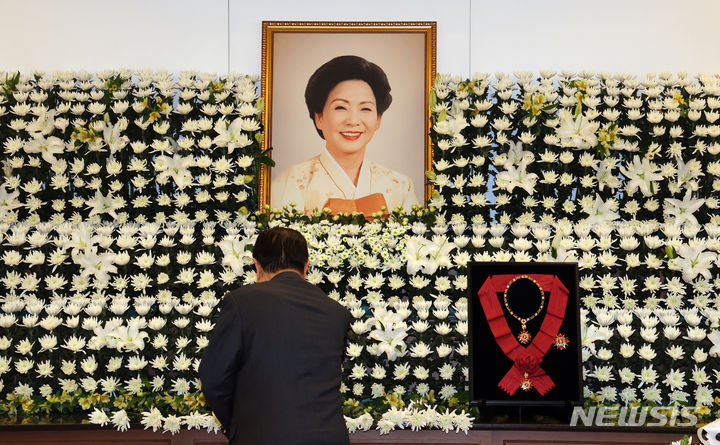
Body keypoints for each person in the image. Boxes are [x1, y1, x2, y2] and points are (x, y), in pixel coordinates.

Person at [199, 227, 351, 445]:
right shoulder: (336, 311)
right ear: (306, 267)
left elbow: (213, 378)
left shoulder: (241, 302)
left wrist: (239, 424)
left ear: (257, 265)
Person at [271, 55, 420, 216]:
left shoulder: (401, 186)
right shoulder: (289, 182)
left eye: (365, 109)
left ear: (378, 119)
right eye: (341, 107)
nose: (353, 121)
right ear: (319, 117)